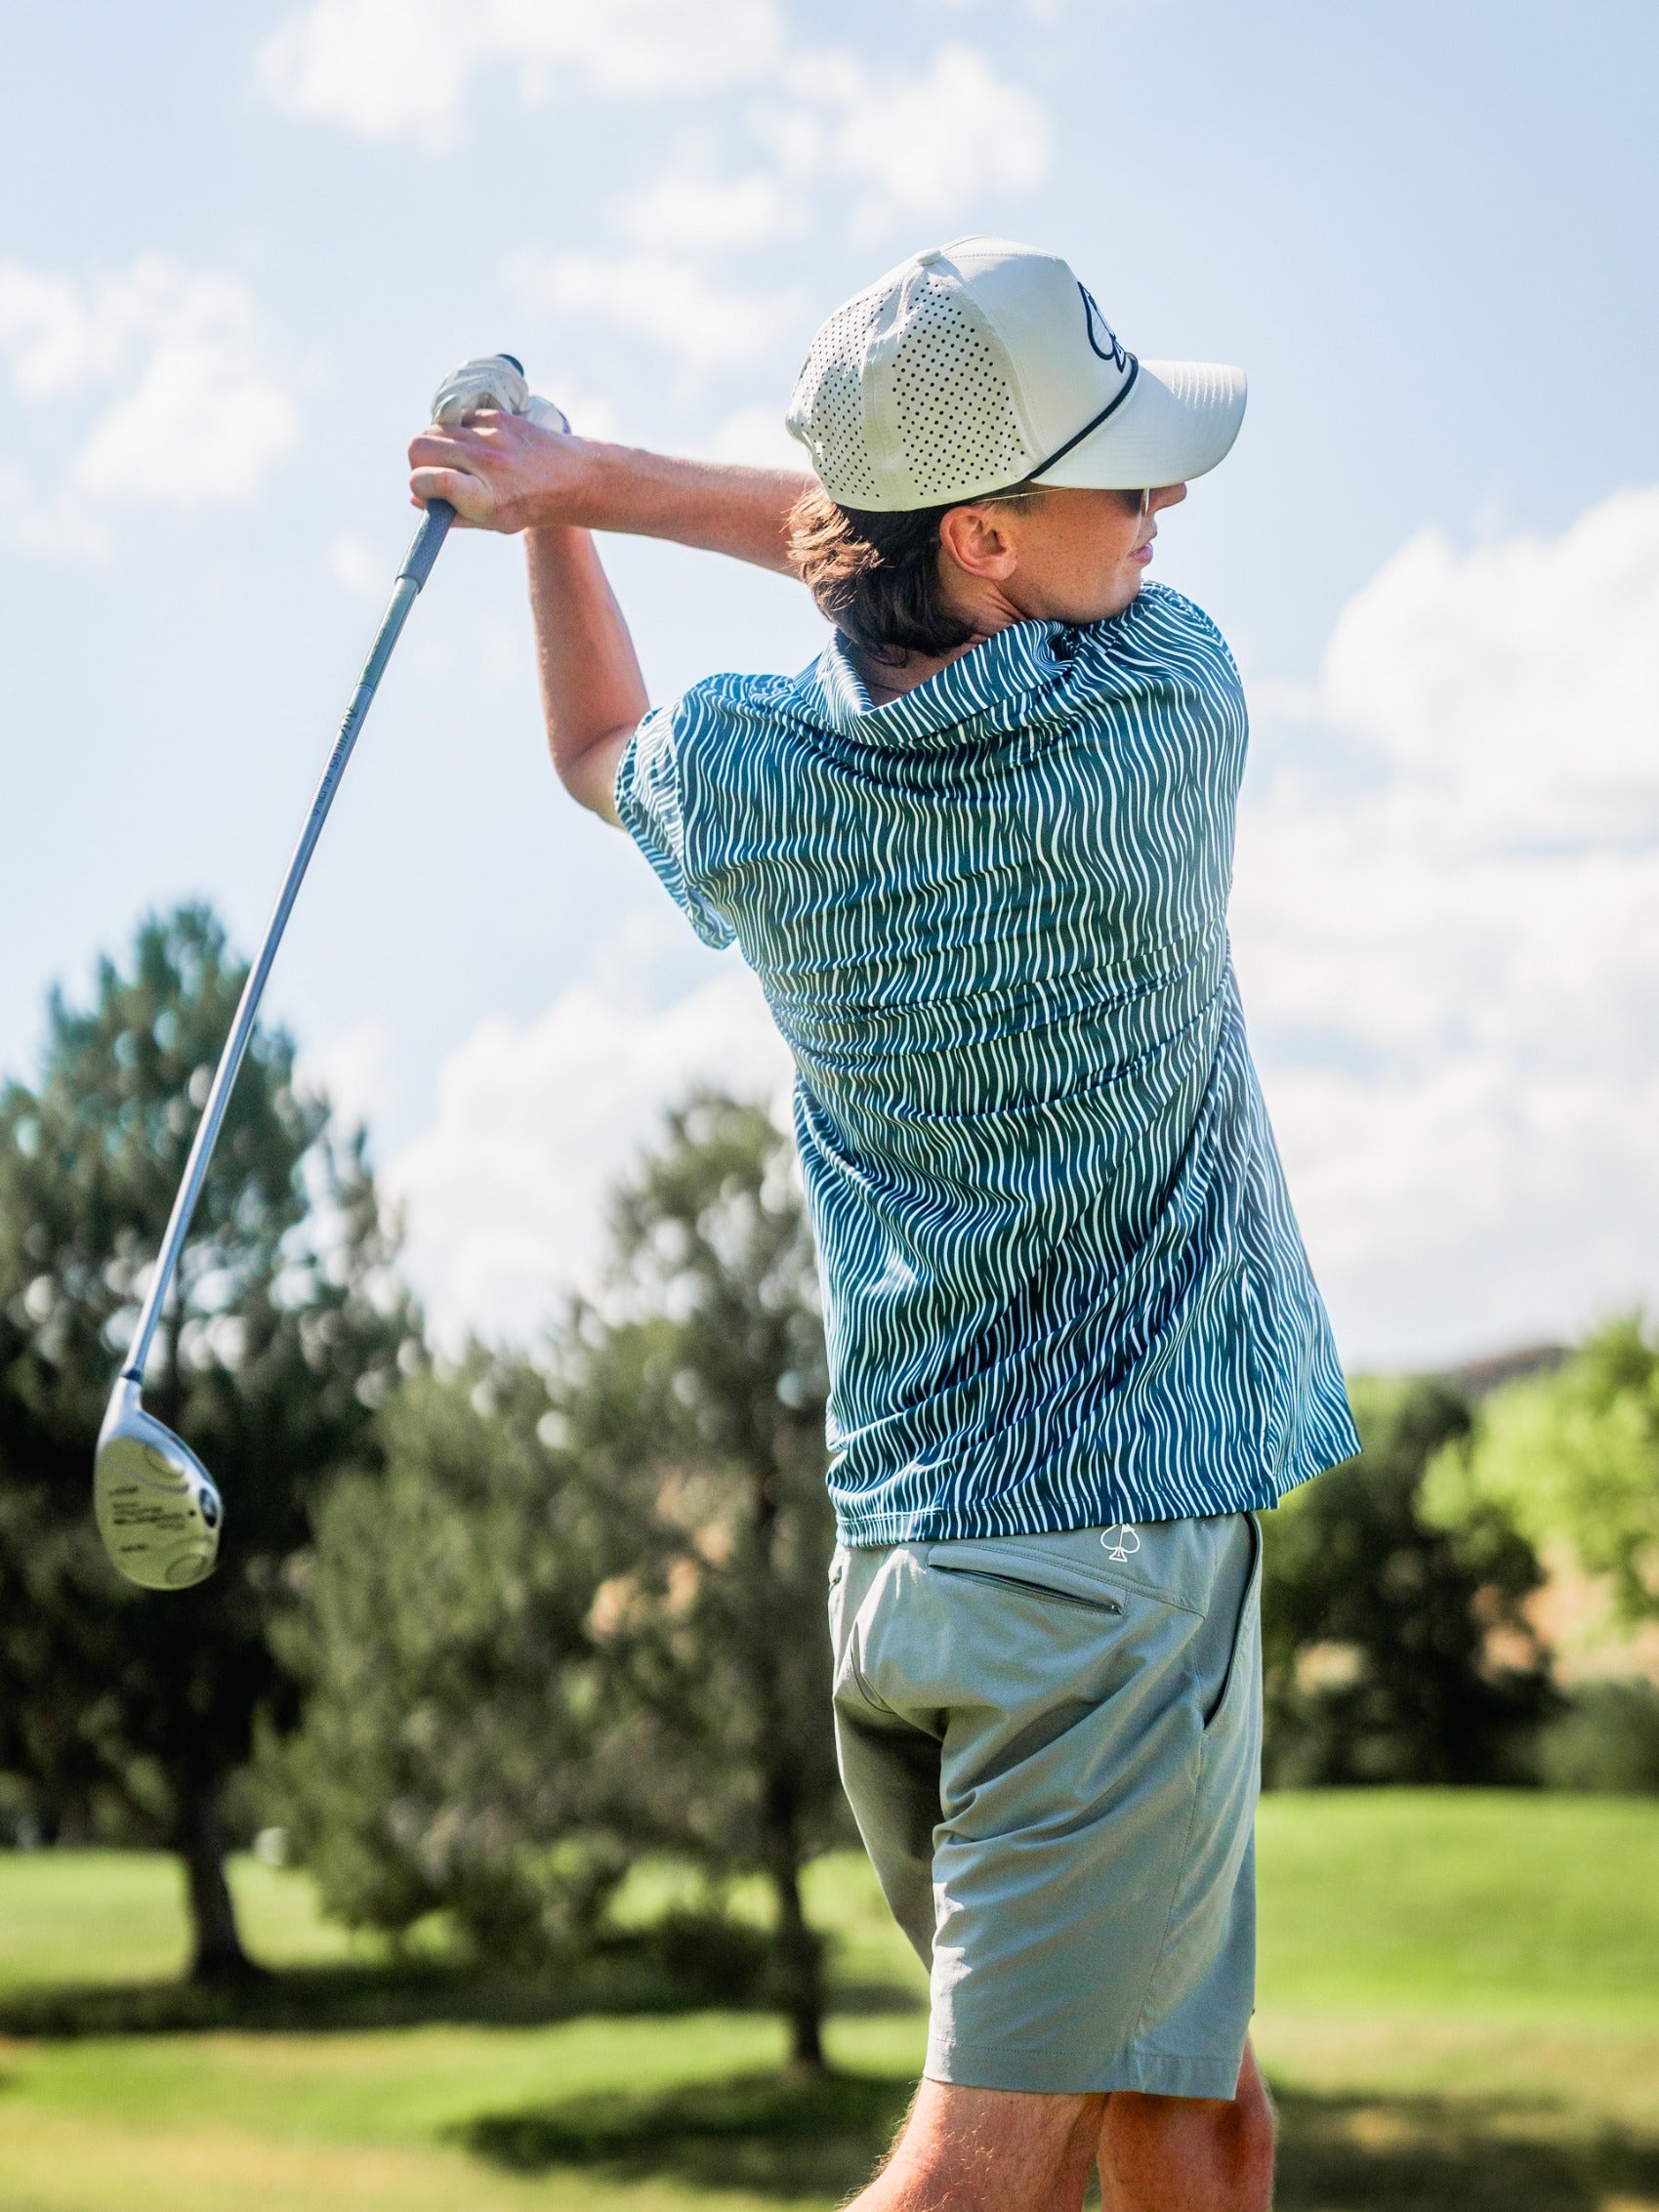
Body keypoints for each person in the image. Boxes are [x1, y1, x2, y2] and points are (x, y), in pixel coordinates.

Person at [409, 235, 1357, 2212]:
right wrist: (602, 479)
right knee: (969, 2179)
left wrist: (552, 511)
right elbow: (835, 543)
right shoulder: (1162, 718)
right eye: (1117, 470)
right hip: (1110, 1589)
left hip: (914, 1587)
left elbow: (595, 749)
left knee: (1201, 2120)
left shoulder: (755, 779)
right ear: (996, 543)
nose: (1162, 500)